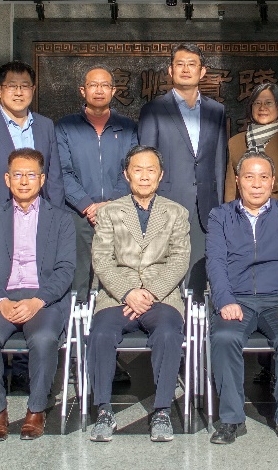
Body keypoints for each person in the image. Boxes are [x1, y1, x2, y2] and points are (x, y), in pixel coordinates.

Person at [87, 146, 190, 444]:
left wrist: (150, 292)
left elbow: (179, 259)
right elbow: (102, 259)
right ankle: (103, 409)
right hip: (117, 295)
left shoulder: (176, 212)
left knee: (168, 333)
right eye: (138, 170)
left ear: (160, 175)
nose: (144, 176)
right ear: (126, 174)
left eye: (151, 170)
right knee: (101, 334)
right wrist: (128, 292)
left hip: (162, 296)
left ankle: (162, 410)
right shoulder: (109, 212)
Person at [0, 149, 76, 442]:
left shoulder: (61, 219)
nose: (24, 181)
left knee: (43, 339)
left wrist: (37, 301)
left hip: (42, 299)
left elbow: (66, 268)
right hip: (3, 297)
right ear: (7, 179)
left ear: (42, 179)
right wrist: (1, 301)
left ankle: (36, 410)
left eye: (31, 175)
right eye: (17, 174)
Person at [206, 150, 278, 445]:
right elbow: (215, 262)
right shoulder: (220, 216)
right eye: (249, 177)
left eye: (264, 177)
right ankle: (231, 419)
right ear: (238, 180)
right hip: (236, 299)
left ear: (273, 181)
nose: (257, 184)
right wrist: (225, 300)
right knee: (224, 337)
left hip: (277, 300)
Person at [137, 44, 227, 295]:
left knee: (198, 280)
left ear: (202, 71)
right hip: (166, 204)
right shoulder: (154, 109)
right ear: (170, 70)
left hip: (204, 207)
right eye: (180, 64)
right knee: (165, 279)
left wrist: (219, 205)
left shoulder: (216, 110)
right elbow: (145, 162)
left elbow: (219, 160)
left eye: (192, 64)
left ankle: (196, 319)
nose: (186, 69)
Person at [56, 66, 138, 295]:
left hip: (118, 212)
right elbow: (62, 171)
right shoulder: (65, 127)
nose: (99, 90)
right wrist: (87, 205)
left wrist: (110, 203)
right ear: (83, 90)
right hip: (79, 214)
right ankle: (78, 315)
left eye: (104, 85)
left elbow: (131, 169)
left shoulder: (128, 127)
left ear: (113, 91)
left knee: (116, 281)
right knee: (78, 280)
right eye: (93, 85)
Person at [0, 60, 65, 219]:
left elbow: (55, 180)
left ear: (33, 89)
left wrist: (57, 221)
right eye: (11, 86)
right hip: (0, 219)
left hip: (41, 219)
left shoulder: (45, 125)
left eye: (24, 86)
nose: (19, 92)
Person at [224, 83, 278, 230]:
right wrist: (230, 225)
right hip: (244, 223)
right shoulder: (236, 142)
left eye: (269, 103)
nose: (262, 108)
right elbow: (231, 190)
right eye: (257, 103)